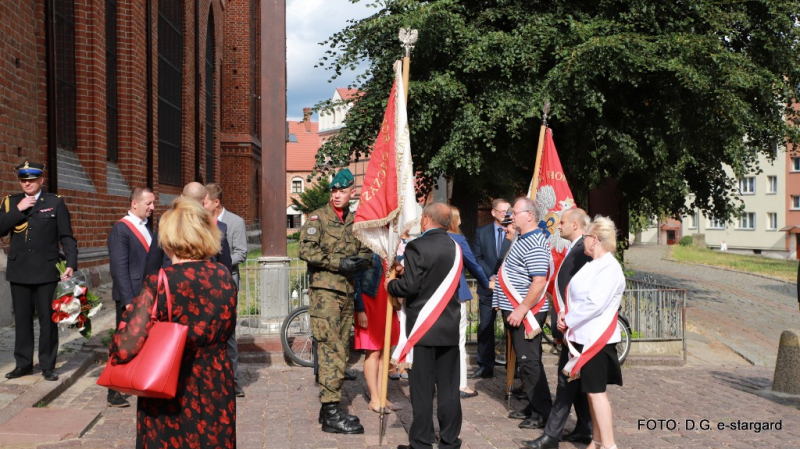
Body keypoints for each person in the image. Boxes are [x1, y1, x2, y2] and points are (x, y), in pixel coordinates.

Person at [109, 198, 237, 448]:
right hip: (216, 380)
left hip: (169, 381)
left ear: (169, 238)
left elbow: (126, 344)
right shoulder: (223, 275)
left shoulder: (160, 280)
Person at [298, 168, 372, 434]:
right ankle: (331, 412)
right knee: (332, 351)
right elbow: (305, 249)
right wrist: (338, 262)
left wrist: (360, 262)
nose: (337, 195)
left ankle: (327, 409)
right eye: (334, 190)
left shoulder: (355, 221)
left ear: (352, 192)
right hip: (325, 296)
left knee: (341, 348)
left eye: (342, 191)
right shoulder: (318, 217)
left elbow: (367, 253)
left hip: (347, 294)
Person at [386, 203, 463, 449]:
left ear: (427, 219)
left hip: (423, 328)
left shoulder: (416, 246)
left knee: (421, 390)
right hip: (449, 327)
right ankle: (450, 440)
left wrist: (390, 283)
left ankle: (422, 441)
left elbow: (410, 286)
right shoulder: (455, 245)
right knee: (449, 389)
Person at [523, 208, 593, 448]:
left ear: (575, 224)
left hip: (575, 328)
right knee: (576, 381)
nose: (558, 225)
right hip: (570, 326)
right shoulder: (575, 249)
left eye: (562, 222)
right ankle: (586, 428)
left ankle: (551, 436)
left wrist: (566, 324)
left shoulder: (583, 251)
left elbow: (580, 293)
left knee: (566, 381)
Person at [0, 161, 77, 382]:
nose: (27, 183)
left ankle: (47, 365)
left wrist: (70, 263)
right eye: (23, 180)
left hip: (46, 271)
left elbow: (66, 237)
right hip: (19, 271)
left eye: (31, 180)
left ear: (41, 181)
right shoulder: (11, 203)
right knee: (22, 320)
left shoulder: (55, 203)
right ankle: (23, 364)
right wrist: (18, 210)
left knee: (48, 320)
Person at [559, 215, 625, 449]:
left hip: (597, 339)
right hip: (584, 337)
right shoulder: (593, 265)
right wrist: (564, 313)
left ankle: (609, 444)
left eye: (586, 236)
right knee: (590, 393)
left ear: (595, 240)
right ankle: (596, 441)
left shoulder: (609, 267)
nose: (584, 241)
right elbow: (577, 297)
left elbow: (595, 303)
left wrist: (569, 319)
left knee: (597, 394)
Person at [493, 197, 552, 430]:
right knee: (528, 362)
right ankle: (533, 404)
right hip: (518, 311)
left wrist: (521, 309)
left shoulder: (535, 241)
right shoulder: (522, 237)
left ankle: (541, 413)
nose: (511, 216)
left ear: (529, 215)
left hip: (526, 313)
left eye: (514, 212)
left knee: (529, 363)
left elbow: (539, 281)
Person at [105, 187, 155, 408]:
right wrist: (127, 299)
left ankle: (137, 382)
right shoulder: (121, 229)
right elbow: (119, 268)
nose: (152, 207)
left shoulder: (146, 226)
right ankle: (113, 390)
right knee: (124, 343)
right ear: (135, 204)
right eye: (149, 203)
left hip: (145, 294)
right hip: (131, 296)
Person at [204, 183, 247, 397]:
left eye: (205, 202)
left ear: (216, 203)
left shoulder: (234, 222)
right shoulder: (200, 222)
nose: (201, 205)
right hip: (204, 286)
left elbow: (241, 253)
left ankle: (233, 380)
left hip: (226, 282)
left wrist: (219, 265)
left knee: (228, 333)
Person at [447, 206, 490, 398]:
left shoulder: (426, 239)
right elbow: (473, 264)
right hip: (456, 294)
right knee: (459, 340)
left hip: (433, 298)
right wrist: (487, 283)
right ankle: (461, 384)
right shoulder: (458, 239)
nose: (462, 222)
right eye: (459, 218)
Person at [144, 182, 232, 275]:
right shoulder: (217, 227)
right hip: (206, 281)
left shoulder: (166, 222)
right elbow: (226, 268)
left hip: (173, 280)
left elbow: (153, 262)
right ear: (205, 199)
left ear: (181, 197)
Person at [470, 198, 512, 379]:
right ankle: (485, 366)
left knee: (511, 327)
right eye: (501, 211)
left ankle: (514, 366)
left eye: (507, 211)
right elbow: (477, 257)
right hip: (488, 287)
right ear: (493, 212)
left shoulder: (514, 232)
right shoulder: (482, 232)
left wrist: (502, 276)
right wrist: (490, 276)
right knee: (485, 327)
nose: (505, 214)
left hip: (509, 288)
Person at [353, 253, 400, 413]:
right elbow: (356, 280)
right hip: (370, 302)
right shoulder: (366, 247)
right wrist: (359, 309)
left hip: (386, 302)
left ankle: (382, 395)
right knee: (373, 351)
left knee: (384, 350)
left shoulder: (388, 250)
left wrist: (399, 268)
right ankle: (374, 398)